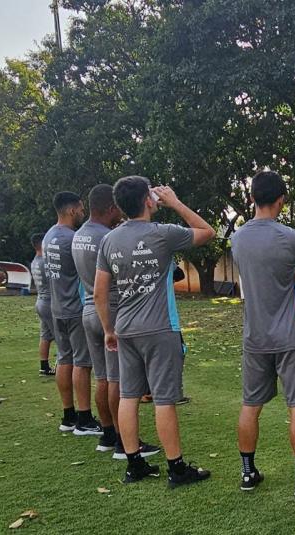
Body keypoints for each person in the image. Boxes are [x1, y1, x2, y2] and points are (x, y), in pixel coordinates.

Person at [95, 176, 215, 487]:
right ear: (149, 201)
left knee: (129, 395)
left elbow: (99, 292)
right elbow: (207, 232)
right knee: (164, 398)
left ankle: (134, 464)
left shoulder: (109, 240)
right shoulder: (163, 234)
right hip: (160, 328)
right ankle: (176, 469)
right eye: (153, 194)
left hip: (125, 328)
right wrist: (175, 202)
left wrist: (109, 329)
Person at [229, 171, 295, 496]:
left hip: (254, 337)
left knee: (250, 404)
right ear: (281, 199)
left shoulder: (237, 239)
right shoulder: (293, 238)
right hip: (290, 336)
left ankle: (248, 474)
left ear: (252, 198)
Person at [73, 184, 159, 460]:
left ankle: (108, 434)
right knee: (117, 381)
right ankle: (125, 442)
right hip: (110, 311)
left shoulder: (79, 235)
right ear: (111, 208)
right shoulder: (107, 237)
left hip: (89, 309)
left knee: (102, 378)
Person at [43, 191, 101, 435]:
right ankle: (85, 418)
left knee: (64, 359)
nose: (82, 212)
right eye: (79, 208)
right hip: (76, 307)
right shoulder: (72, 238)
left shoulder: (49, 236)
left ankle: (68, 415)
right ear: (70, 210)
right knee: (82, 362)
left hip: (57, 307)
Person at [29, 233, 57, 376]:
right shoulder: (45, 262)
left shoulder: (34, 261)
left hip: (40, 301)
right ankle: (63, 365)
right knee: (61, 336)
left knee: (45, 335)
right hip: (49, 302)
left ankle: (44, 366)